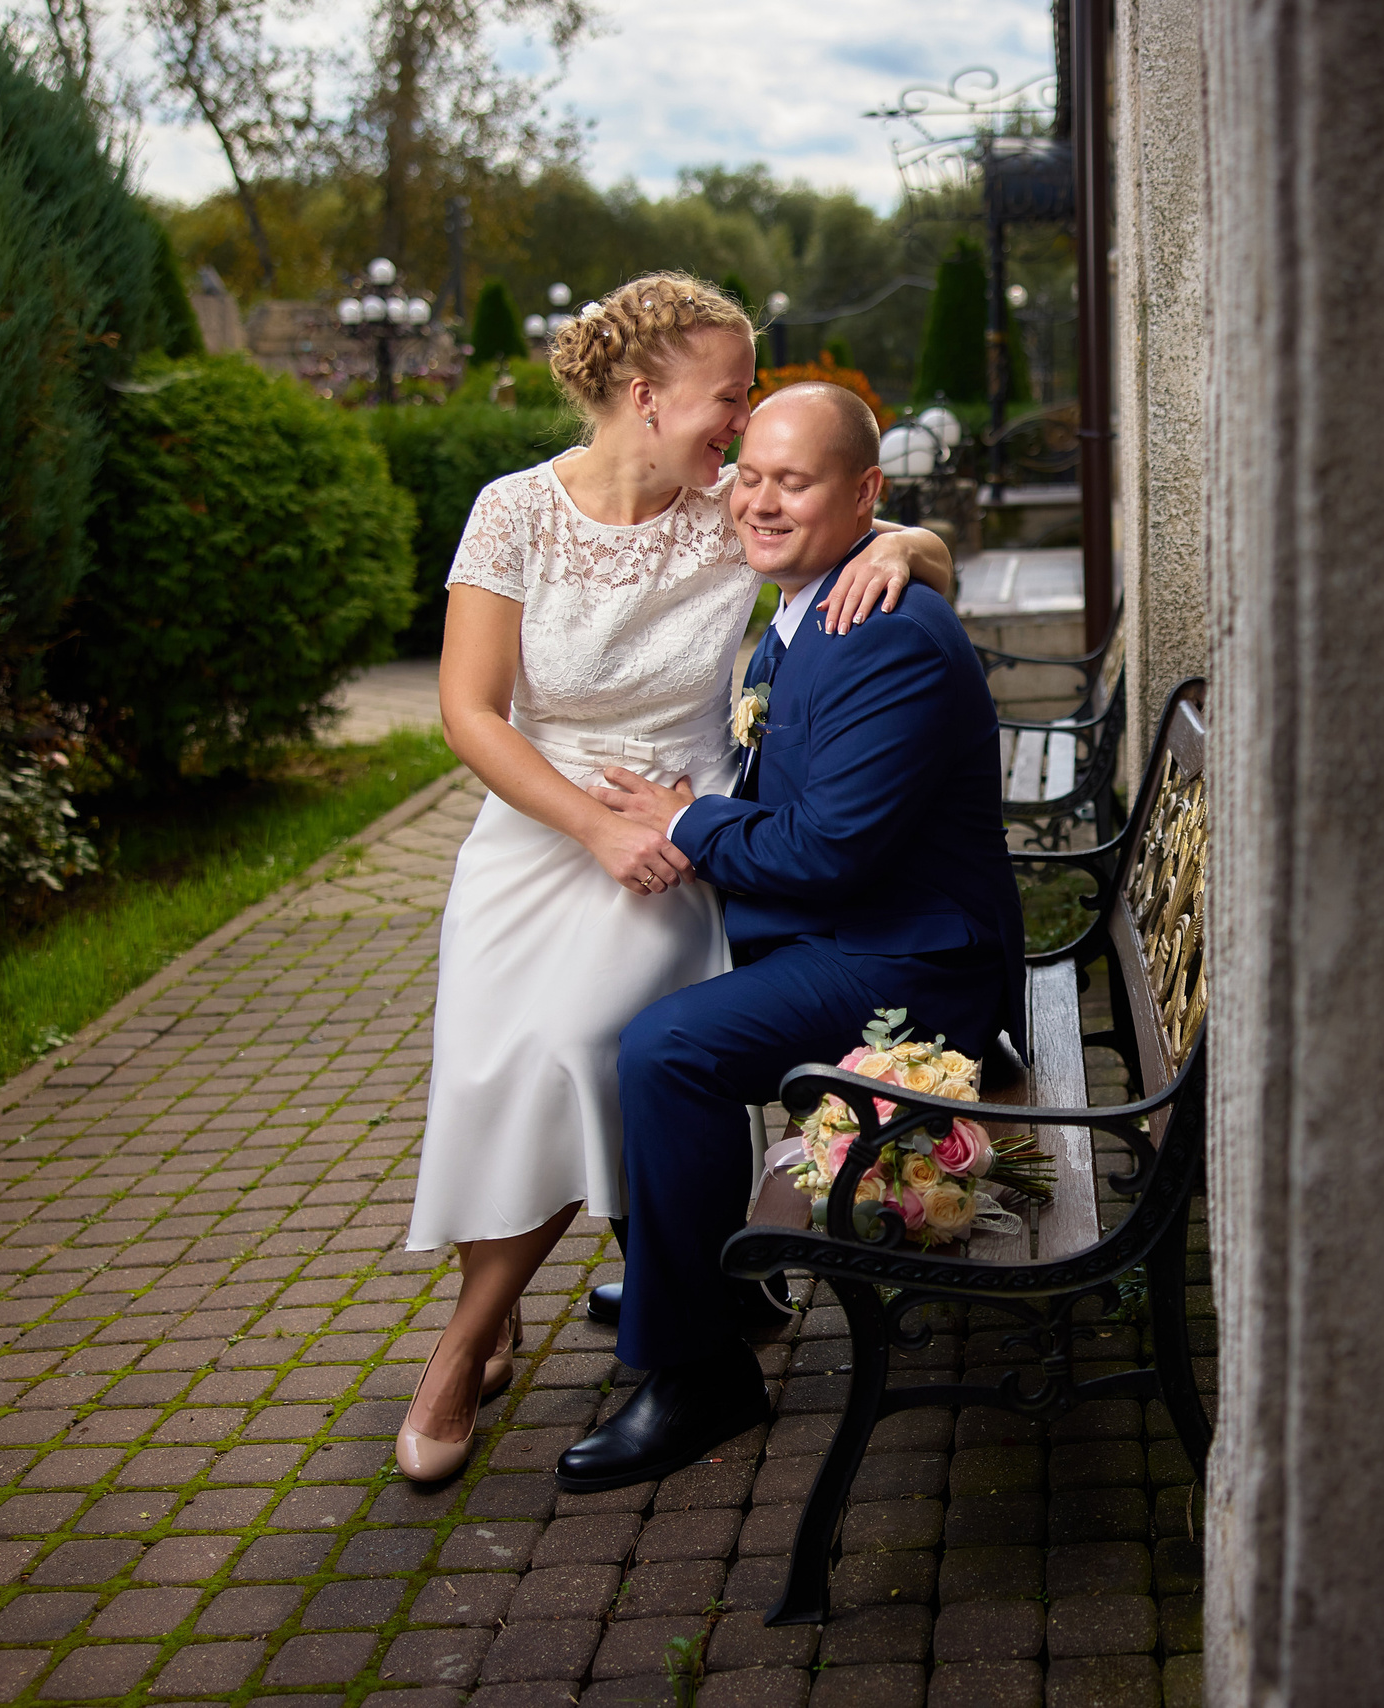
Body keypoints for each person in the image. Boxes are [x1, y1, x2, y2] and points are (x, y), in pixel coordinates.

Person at [396, 277, 956, 1483]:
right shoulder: (512, 513)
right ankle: (556, 1300)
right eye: (730, 394)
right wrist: (582, 828)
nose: (743, 423)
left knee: (585, 1053)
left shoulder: (726, 512)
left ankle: (460, 1345)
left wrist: (908, 539)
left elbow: (857, 525)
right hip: (539, 830)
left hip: (676, 849)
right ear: (647, 399)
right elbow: (467, 710)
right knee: (493, 1069)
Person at [551, 382, 1025, 1491]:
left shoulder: (885, 635)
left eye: (793, 481)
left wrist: (684, 822)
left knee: (668, 1049)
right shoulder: (808, 598)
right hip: (862, 931)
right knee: (639, 1000)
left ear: (864, 493)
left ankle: (699, 1367)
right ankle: (714, 1278)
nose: (760, 501)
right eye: (749, 475)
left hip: (916, 965)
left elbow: (826, 855)